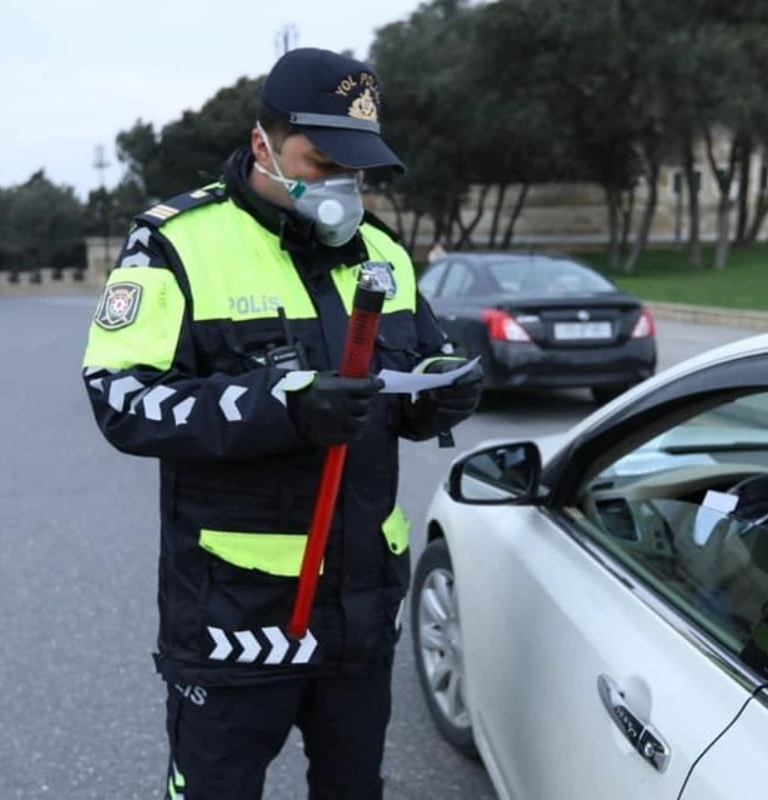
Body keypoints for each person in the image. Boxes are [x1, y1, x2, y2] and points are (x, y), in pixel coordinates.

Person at [80, 47, 483, 800]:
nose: (339, 184)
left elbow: (416, 368)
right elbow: (120, 398)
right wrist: (282, 408)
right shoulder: (177, 243)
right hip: (239, 615)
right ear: (264, 141)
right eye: (320, 160)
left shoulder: (383, 250)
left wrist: (441, 396)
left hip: (361, 607)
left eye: (354, 167)